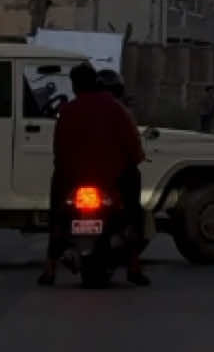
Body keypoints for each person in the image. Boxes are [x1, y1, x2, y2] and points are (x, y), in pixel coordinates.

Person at [40, 62, 149, 287]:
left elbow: (59, 152)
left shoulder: (67, 111)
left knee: (56, 212)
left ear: (74, 86)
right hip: (112, 180)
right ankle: (134, 265)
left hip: (73, 179)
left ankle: (50, 267)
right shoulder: (116, 109)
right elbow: (134, 151)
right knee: (133, 209)